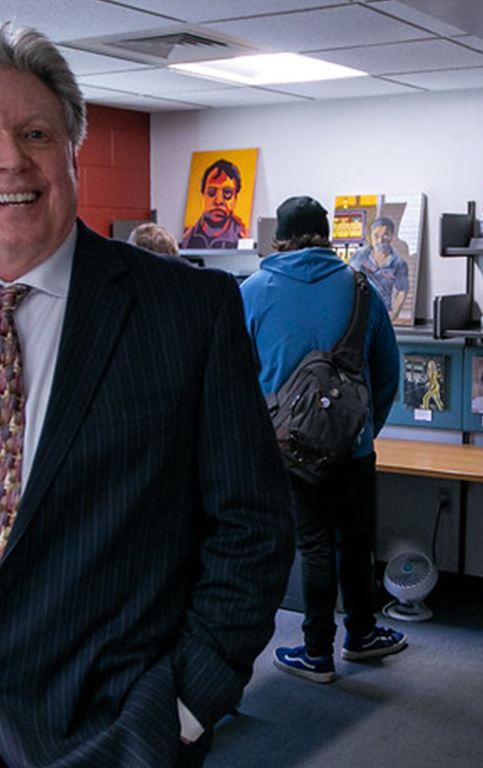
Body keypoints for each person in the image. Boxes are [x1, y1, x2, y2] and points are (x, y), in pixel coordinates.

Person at [0, 22, 294, 768]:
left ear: (72, 154)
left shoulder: (187, 313)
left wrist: (186, 704)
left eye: (36, 132)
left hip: (114, 739)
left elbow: (251, 528)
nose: (10, 159)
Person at [240, 196, 405, 685]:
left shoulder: (251, 291)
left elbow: (237, 376)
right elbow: (388, 369)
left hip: (289, 449)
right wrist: (362, 431)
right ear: (329, 236)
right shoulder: (362, 286)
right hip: (353, 446)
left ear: (279, 239)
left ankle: (317, 654)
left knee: (313, 545)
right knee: (356, 542)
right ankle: (361, 635)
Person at [349, 216, 410, 321]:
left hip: (381, 313)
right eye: (376, 236)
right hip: (358, 311)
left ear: (392, 237)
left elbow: (403, 291)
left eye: (385, 235)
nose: (380, 240)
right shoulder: (360, 255)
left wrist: (394, 313)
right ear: (370, 238)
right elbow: (349, 280)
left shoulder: (399, 264)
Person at [181, 159, 246, 249]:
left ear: (235, 198)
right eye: (211, 191)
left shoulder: (242, 238)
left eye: (227, 193)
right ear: (202, 195)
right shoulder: (187, 238)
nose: (218, 201)